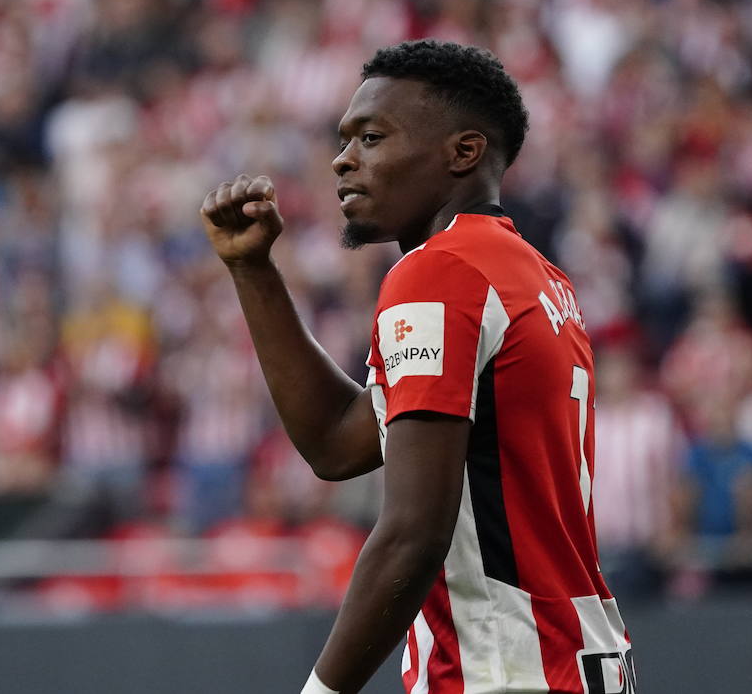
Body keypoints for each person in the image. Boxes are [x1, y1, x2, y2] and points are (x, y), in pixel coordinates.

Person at [201, 40, 635, 694]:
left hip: (502, 670)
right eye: (344, 140)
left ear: (462, 152)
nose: (343, 160)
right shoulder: (537, 278)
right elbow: (339, 443)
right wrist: (253, 271)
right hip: (574, 663)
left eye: (372, 138)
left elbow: (413, 532)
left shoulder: (440, 273)